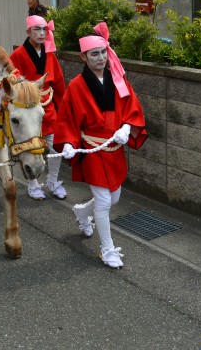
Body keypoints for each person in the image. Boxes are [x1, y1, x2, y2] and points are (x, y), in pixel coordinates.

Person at [54, 22, 147, 269]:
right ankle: (107, 250)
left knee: (114, 196)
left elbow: (132, 108)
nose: (101, 58)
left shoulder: (118, 79)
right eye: (94, 54)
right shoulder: (76, 86)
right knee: (105, 201)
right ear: (83, 57)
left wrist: (127, 128)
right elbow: (66, 118)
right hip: (94, 149)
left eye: (103, 52)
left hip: (114, 149)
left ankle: (84, 212)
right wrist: (67, 144)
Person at [9, 15, 67, 200]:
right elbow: (10, 81)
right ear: (28, 32)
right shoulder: (18, 54)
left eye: (44, 29)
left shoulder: (49, 54)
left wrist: (63, 105)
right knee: (31, 146)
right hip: (28, 110)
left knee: (56, 146)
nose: (42, 33)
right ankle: (33, 184)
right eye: (37, 29)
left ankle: (52, 180)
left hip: (48, 107)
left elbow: (57, 82)